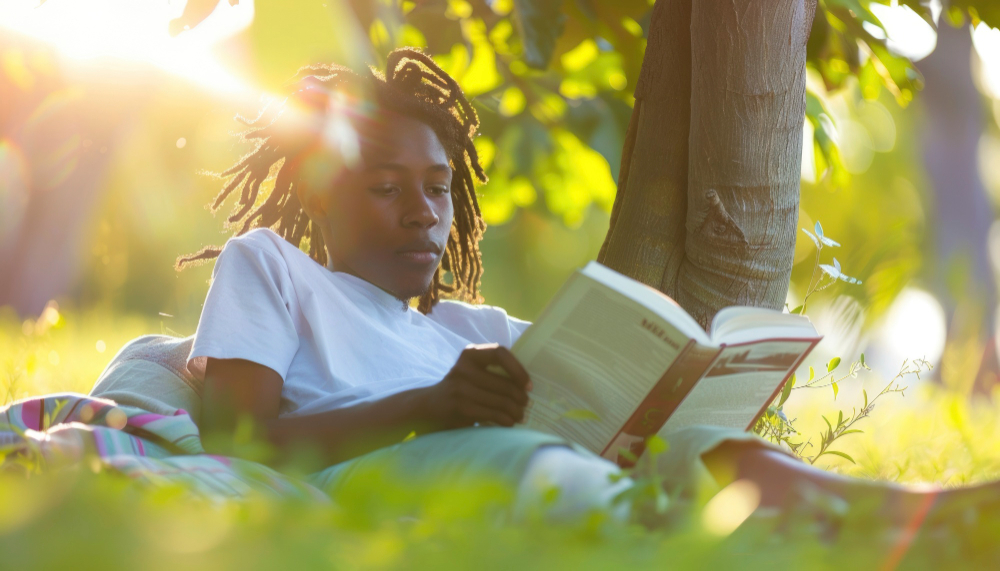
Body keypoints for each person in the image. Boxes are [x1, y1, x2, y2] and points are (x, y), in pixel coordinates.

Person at [163, 48, 995, 525]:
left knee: (700, 448)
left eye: (440, 187)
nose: (423, 212)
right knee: (530, 458)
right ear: (320, 194)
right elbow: (240, 441)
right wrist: (428, 407)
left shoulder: (472, 327)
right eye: (386, 187)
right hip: (376, 473)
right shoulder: (272, 266)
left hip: (514, 463)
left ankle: (917, 517)